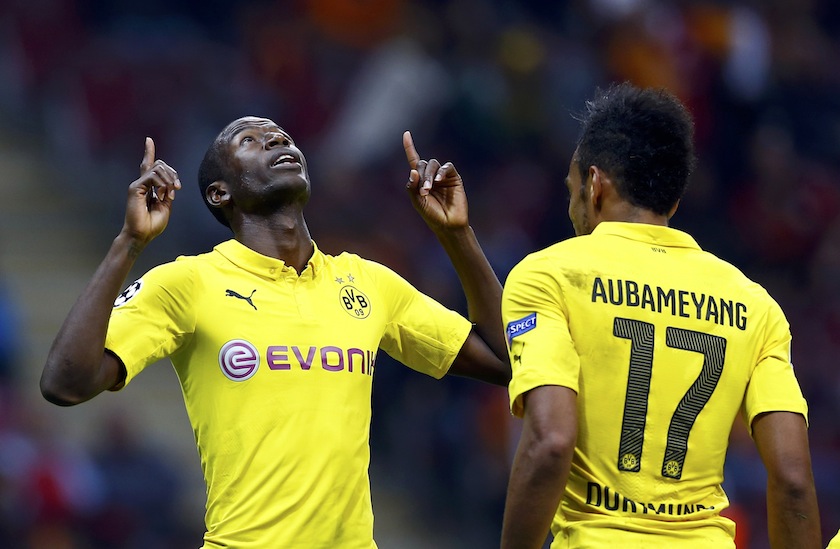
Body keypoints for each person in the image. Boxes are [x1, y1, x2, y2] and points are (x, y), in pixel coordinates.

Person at [40, 117, 510, 548]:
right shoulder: (188, 282)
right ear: (219, 193)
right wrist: (129, 242)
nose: (276, 142)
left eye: (283, 138)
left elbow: (505, 360)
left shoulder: (368, 282)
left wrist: (457, 234)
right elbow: (66, 383)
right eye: (250, 140)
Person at [499, 83, 820, 548]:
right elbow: (792, 480)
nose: (572, 207)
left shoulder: (549, 275)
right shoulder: (755, 305)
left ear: (594, 185)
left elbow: (550, 443)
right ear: (672, 201)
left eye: (572, 190)